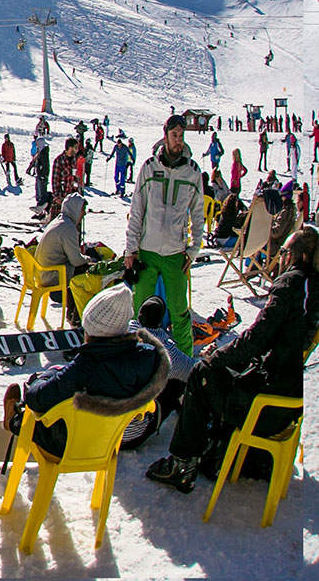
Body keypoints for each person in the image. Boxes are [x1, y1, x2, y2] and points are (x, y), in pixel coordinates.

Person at [146, 226, 319, 492]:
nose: (281, 256)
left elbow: (255, 340)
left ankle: (182, 463)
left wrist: (215, 357)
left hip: (266, 399)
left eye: (284, 251)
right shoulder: (314, 286)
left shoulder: (290, 283)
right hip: (292, 394)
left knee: (201, 373)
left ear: (300, 256)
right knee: (222, 367)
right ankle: (210, 447)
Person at [2, 284, 169, 460]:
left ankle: (14, 421)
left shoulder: (86, 365)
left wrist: (43, 378)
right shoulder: (148, 355)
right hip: (124, 436)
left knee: (42, 399)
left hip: (80, 442)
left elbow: (37, 399)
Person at [124, 114, 204, 355]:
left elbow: (198, 214)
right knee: (139, 310)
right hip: (147, 251)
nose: (178, 141)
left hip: (175, 254)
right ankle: (136, 358)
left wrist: (193, 249)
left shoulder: (192, 172)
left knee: (180, 311)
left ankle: (185, 363)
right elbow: (137, 209)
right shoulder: (149, 168)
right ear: (165, 135)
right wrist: (131, 249)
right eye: (174, 135)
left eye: (181, 136)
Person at [120, 296, 194, 451]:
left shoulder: (120, 333)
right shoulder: (167, 352)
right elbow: (193, 371)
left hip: (101, 430)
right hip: (129, 438)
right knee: (176, 382)